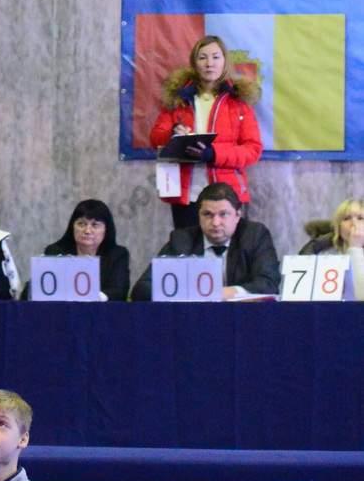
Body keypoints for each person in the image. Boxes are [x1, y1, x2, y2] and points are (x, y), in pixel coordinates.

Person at [149, 34, 262, 230]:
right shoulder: (178, 100)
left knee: (226, 253)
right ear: (194, 62)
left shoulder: (239, 103)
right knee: (187, 252)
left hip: (226, 196)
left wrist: (213, 154)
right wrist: (173, 134)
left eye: (216, 57)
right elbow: (155, 137)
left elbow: (252, 150)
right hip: (186, 195)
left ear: (225, 62)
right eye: (203, 58)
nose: (209, 63)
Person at [130, 183, 279, 300]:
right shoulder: (182, 240)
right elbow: (142, 288)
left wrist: (229, 292)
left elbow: (269, 283)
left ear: (237, 215)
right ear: (199, 215)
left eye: (223, 214)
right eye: (207, 214)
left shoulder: (254, 235)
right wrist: (187, 294)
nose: (215, 222)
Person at [35, 199, 130, 302]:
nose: (87, 231)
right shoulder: (55, 251)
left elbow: (119, 291)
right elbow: (35, 291)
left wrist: (96, 298)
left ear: (106, 229)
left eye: (95, 225)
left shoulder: (117, 254)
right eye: (81, 224)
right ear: (72, 227)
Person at [299, 198, 364, 255]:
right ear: (338, 227)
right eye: (346, 218)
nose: (354, 223)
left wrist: (355, 247)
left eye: (360, 218)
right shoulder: (325, 253)